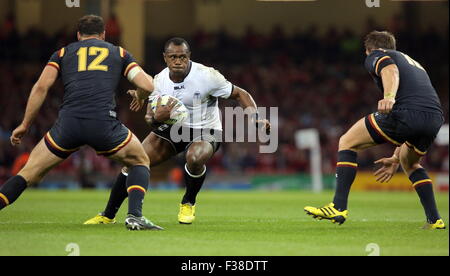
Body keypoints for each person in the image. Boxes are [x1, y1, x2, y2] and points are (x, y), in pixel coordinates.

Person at [0, 15, 162, 231]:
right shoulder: (119, 53)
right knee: (140, 160)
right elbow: (149, 85)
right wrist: (141, 95)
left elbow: (41, 87)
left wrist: (24, 125)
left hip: (68, 125)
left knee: (29, 172)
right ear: (104, 34)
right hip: (104, 125)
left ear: (78, 35)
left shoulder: (63, 53)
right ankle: (134, 217)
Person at [84, 37, 271, 225]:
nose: (178, 61)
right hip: (173, 129)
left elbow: (240, 94)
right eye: (173, 57)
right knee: (133, 162)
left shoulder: (208, 76)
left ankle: (188, 202)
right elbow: (150, 119)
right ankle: (108, 215)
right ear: (165, 58)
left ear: (189, 56)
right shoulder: (158, 81)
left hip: (205, 129)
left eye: (182, 56)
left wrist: (256, 119)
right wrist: (158, 117)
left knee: (195, 158)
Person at [304, 31, 445, 230]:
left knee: (347, 142)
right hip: (434, 119)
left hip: (406, 112)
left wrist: (389, 96)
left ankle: (338, 207)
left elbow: (389, 70)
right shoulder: (414, 63)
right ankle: (435, 220)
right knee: (409, 163)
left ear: (370, 50)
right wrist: (395, 158)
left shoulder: (377, 55)